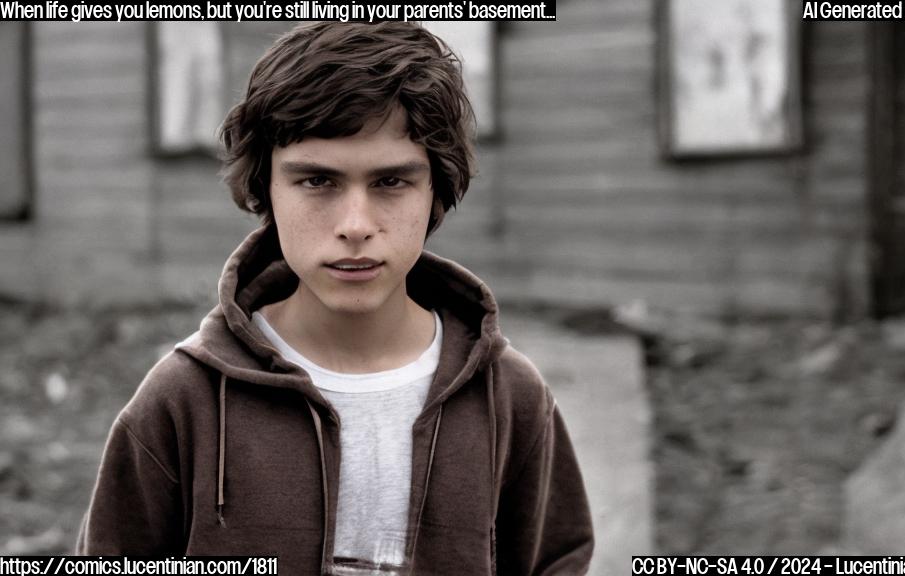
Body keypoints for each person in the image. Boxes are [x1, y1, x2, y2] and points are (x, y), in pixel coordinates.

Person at [76, 22, 594, 575]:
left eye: (391, 182)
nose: (355, 225)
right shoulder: (185, 400)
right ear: (266, 189)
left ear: (435, 190)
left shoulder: (510, 399)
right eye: (318, 181)